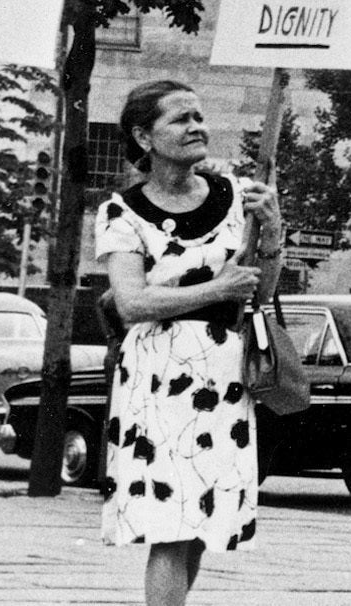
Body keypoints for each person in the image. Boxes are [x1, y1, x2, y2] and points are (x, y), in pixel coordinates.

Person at [97, 79, 283, 606]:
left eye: (199, 115)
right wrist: (215, 286)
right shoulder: (122, 212)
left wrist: (272, 231)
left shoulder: (236, 197)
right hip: (160, 375)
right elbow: (131, 303)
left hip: (224, 376)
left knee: (202, 519)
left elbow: (260, 291)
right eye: (180, 118)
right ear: (143, 136)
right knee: (169, 525)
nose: (196, 126)